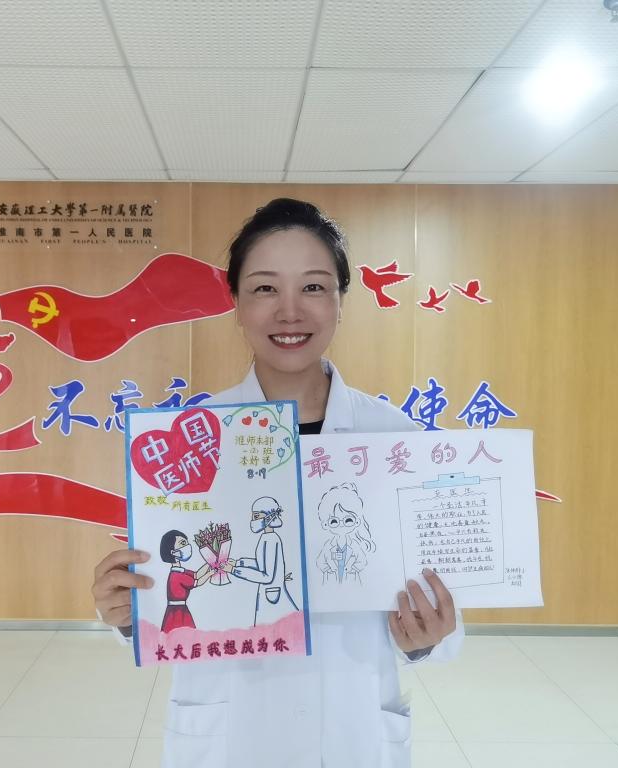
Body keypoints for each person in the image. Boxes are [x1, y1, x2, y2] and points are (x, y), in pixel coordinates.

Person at [92, 198, 464, 768]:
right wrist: (125, 612)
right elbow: (167, 593)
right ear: (236, 303)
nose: (290, 311)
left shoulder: (396, 440)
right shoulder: (192, 438)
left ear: (340, 300)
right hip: (228, 729)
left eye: (313, 287)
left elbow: (443, 605)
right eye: (265, 288)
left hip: (352, 726)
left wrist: (428, 637)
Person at [230, 496, 299, 626]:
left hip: (272, 596)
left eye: (256, 516)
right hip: (270, 593)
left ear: (269, 517)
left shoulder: (271, 539)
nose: (253, 520)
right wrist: (239, 563)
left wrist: (235, 571)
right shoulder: (266, 537)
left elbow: (266, 576)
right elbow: (261, 564)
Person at [159, 529, 218, 633]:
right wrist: (210, 573)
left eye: (187, 543)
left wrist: (210, 563)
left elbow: (196, 574)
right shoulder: (177, 575)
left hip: (180, 610)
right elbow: (197, 582)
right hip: (177, 613)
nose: (187, 546)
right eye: (183, 543)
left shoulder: (180, 571)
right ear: (173, 552)